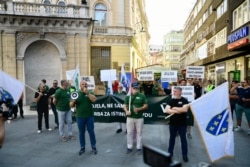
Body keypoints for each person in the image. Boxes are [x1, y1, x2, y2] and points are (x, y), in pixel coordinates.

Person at [70, 81, 98, 155]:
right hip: (80, 117)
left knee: (91, 132)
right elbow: (71, 105)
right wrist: (73, 101)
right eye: (83, 84)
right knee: (81, 133)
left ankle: (93, 146)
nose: (85, 85)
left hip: (89, 116)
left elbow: (94, 100)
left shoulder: (90, 92)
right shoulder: (76, 93)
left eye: (86, 84)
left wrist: (87, 93)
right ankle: (82, 147)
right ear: (80, 86)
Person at [164, 86, 189, 162]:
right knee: (172, 139)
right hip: (173, 124)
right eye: (173, 91)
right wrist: (179, 110)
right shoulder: (171, 100)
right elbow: (166, 110)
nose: (173, 92)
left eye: (175, 91)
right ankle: (170, 153)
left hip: (182, 124)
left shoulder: (184, 100)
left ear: (180, 92)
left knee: (183, 140)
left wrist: (174, 108)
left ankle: (185, 155)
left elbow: (185, 110)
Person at [123, 82, 148, 155]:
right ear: (131, 88)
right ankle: (129, 147)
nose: (135, 89)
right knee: (129, 132)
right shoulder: (128, 96)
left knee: (139, 133)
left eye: (136, 88)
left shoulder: (142, 96)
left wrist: (139, 109)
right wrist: (126, 111)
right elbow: (124, 105)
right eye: (134, 88)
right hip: (130, 117)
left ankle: (139, 147)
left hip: (139, 117)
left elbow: (146, 106)